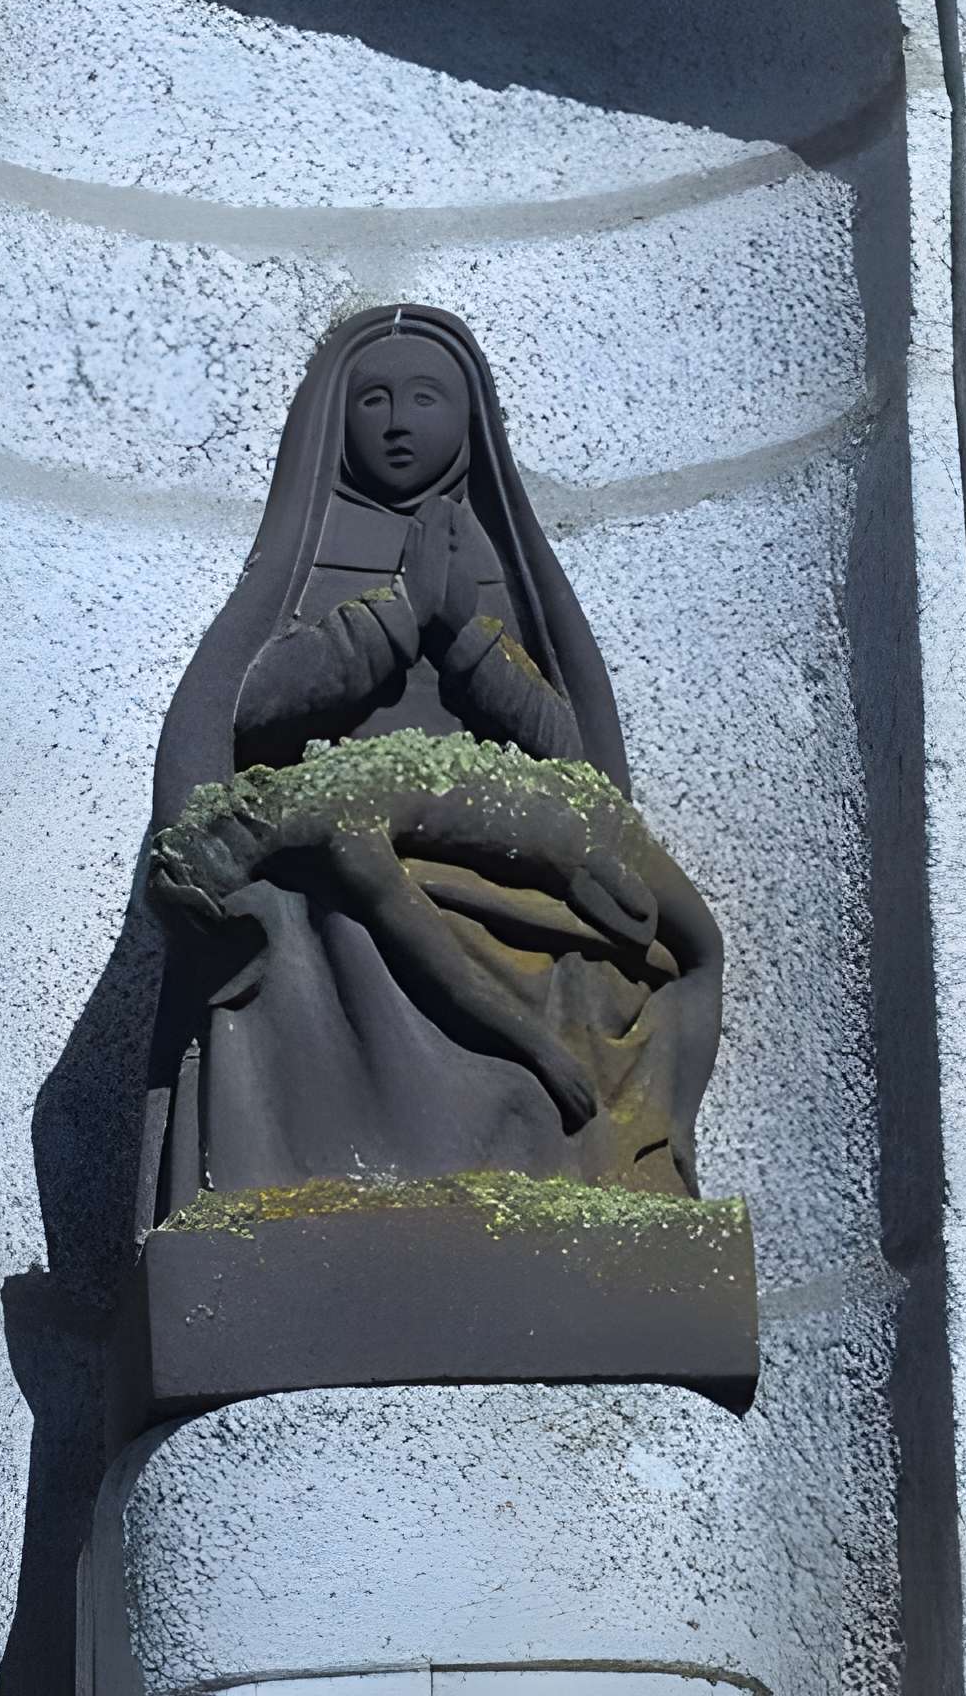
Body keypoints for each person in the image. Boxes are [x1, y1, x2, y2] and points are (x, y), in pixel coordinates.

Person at [142, 306, 723, 1215]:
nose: (398, 422)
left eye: (424, 398)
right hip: (365, 853)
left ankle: (627, 1152)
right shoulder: (310, 556)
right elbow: (246, 708)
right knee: (316, 918)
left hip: (512, 845)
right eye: (373, 399)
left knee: (646, 950)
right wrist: (397, 616)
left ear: (468, 419)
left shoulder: (492, 558)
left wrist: (466, 638)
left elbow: (572, 755)